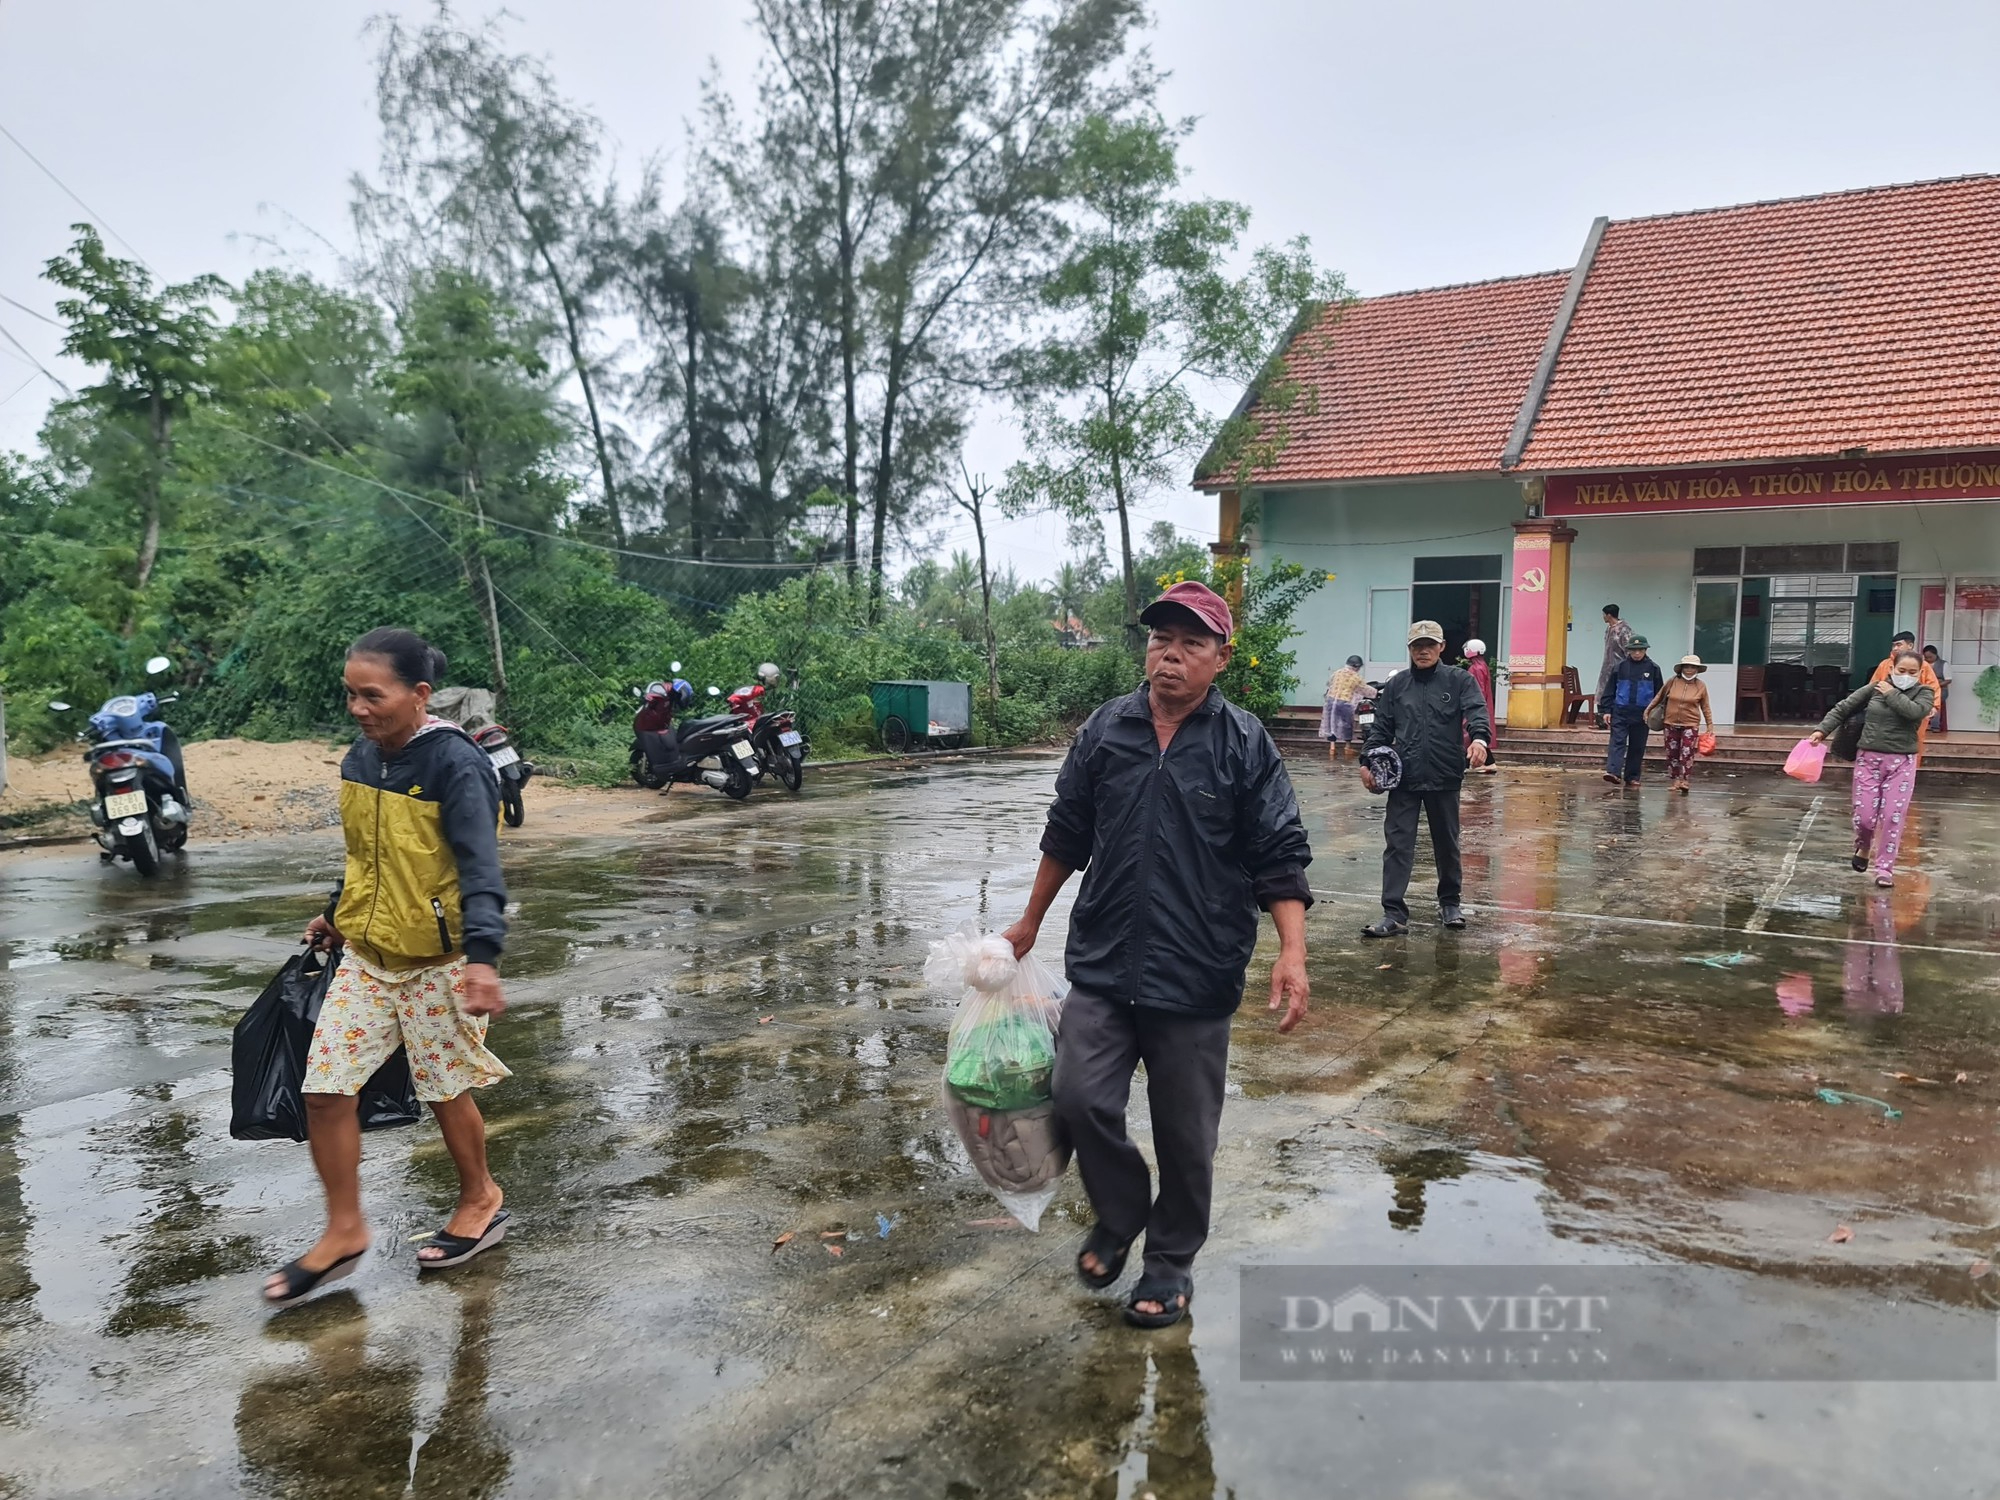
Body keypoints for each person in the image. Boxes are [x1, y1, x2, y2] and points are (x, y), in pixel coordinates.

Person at [1002, 580, 1312, 1330]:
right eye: (1158, 640)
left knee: (1185, 1135)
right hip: (1106, 959)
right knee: (1078, 1097)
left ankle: (1168, 1264)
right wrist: (1029, 921)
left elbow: (1279, 854)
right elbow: (1067, 831)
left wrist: (1292, 951)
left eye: (1190, 644)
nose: (1169, 656)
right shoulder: (1108, 730)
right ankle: (1119, 1214)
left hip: (1197, 970)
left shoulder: (1244, 744)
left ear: (1221, 658)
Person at [263, 628, 513, 1307]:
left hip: (439, 963)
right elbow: (367, 857)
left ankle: (480, 1196)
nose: (358, 708)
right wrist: (337, 912)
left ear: (419, 694)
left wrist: (483, 961)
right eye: (350, 694)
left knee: (444, 1090)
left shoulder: (455, 765)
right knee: (325, 1090)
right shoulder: (360, 759)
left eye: (372, 695)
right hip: (367, 959)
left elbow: (480, 868)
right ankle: (344, 1228)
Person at [1360, 621, 1491, 937]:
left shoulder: (1458, 680)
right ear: (1409, 649)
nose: (1423, 650)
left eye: (1429, 644)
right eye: (1417, 645)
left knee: (1447, 844)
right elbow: (1380, 729)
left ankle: (1450, 904)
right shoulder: (1396, 686)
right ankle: (1393, 913)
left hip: (1445, 774)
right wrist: (1367, 761)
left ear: (1442, 647)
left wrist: (1479, 740)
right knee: (1397, 845)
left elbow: (1476, 712)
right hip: (1404, 777)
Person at [1811, 647, 1933, 888]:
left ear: (1920, 673)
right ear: (1891, 668)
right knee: (1865, 817)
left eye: (1912, 672)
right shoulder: (1874, 688)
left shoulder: (1924, 692)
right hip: (1868, 760)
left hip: (1902, 763)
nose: (1906, 675)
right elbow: (1843, 708)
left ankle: (1884, 869)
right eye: (1901, 670)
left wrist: (1890, 694)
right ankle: (1864, 845)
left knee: (1892, 817)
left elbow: (1914, 713)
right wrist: (1821, 730)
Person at [1868, 631, 1942, 763]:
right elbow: (1873, 686)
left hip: (1914, 710)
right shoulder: (1885, 664)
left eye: (1899, 645)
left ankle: (1911, 771)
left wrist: (1933, 706)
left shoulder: (1923, 665)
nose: (1895, 648)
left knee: (1915, 741)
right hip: (1887, 711)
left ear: (1910, 645)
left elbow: (1933, 687)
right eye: (1894, 645)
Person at [1602, 635, 1663, 787]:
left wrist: (1656, 713)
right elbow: (1609, 689)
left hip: (1643, 714)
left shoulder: (1653, 668)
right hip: (1620, 711)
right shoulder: (1620, 667)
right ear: (1628, 651)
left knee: (1637, 746)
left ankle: (1632, 776)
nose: (1637, 653)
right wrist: (1606, 710)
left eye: (1640, 650)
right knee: (1617, 742)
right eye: (1634, 650)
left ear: (1645, 650)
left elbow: (1659, 693)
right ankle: (1613, 772)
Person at [1655, 653, 1713, 794]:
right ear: (1681, 668)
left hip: (1690, 724)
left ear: (1697, 670)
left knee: (1687, 752)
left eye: (1693, 667)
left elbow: (1705, 706)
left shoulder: (1701, 686)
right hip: (1670, 723)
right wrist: (1648, 711)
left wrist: (1710, 725)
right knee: (1672, 753)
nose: (1689, 670)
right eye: (1686, 666)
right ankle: (1675, 780)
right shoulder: (1672, 682)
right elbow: (1659, 697)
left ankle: (1685, 780)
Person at [1321, 655, 1370, 761]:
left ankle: (1332, 748)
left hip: (1330, 701)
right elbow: (1365, 689)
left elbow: (1329, 684)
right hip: (1344, 703)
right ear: (1357, 667)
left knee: (1331, 723)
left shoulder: (1337, 673)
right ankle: (1347, 747)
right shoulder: (1356, 677)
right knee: (1347, 724)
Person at [1462, 638, 1498, 773]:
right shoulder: (1482, 665)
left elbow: (1477, 690)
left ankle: (1467, 764)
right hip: (1484, 704)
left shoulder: (1475, 668)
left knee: (1468, 733)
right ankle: (1488, 762)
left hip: (1476, 706)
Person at [1596, 605, 1634, 727]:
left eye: (1604, 615)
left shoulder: (1623, 630)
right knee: (1602, 691)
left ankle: (1615, 719)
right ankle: (1602, 720)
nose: (1603, 617)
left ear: (1608, 615)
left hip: (1619, 668)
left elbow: (1629, 651)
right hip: (1607, 667)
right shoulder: (1609, 629)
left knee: (1617, 692)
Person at [1923, 644, 1949, 733]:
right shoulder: (1923, 664)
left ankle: (1935, 726)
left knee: (1935, 703)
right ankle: (1923, 725)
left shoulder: (1943, 664)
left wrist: (1937, 685)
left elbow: (1948, 680)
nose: (1928, 659)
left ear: (1936, 655)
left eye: (1930, 657)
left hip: (1941, 689)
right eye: (1926, 657)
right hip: (1925, 689)